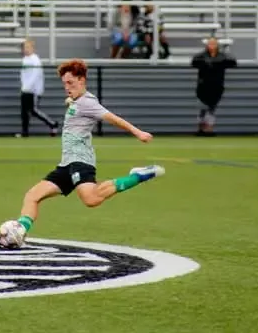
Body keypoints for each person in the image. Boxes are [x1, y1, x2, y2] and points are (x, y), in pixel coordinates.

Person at [10, 58, 162, 244]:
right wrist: (71, 99)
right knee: (32, 196)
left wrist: (138, 132)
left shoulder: (88, 102)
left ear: (82, 80)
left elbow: (112, 118)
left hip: (81, 162)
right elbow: (76, 105)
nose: (66, 87)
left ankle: (137, 176)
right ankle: (18, 232)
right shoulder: (77, 99)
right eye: (64, 83)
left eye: (70, 83)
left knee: (91, 199)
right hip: (66, 164)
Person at [191, 37, 237, 135]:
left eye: (214, 43)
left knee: (212, 109)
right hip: (203, 87)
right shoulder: (201, 56)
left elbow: (233, 62)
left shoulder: (222, 56)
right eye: (210, 43)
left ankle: (209, 129)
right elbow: (194, 62)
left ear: (217, 45)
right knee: (203, 108)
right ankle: (201, 129)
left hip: (217, 86)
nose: (212, 46)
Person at [19, 39, 58, 138]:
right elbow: (23, 75)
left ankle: (52, 124)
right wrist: (23, 86)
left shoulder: (35, 60)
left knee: (33, 110)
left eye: (28, 47)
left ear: (33, 48)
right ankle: (25, 132)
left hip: (34, 90)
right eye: (24, 48)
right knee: (24, 112)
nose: (26, 49)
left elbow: (36, 75)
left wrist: (29, 86)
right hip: (25, 89)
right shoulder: (24, 60)